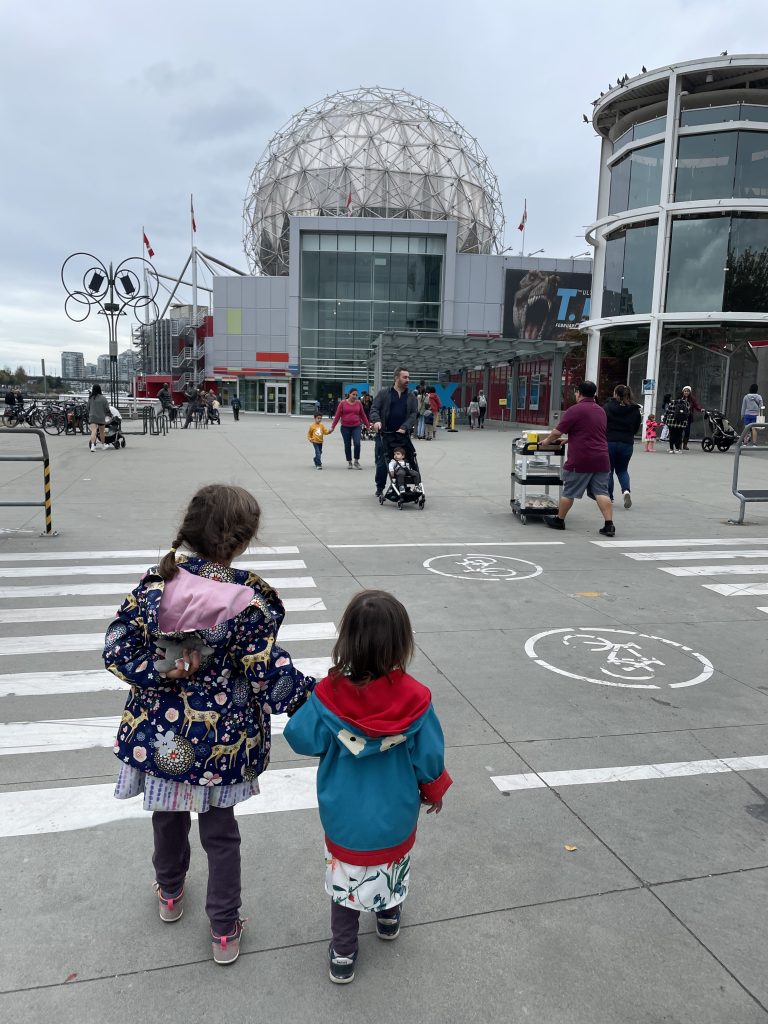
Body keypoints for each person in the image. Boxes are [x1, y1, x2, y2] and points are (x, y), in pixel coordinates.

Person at [103, 484, 314, 965]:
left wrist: (163, 670)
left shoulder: (156, 585)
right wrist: (315, 697)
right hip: (224, 744)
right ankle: (224, 929)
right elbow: (269, 673)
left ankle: (171, 893)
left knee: (167, 817)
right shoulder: (243, 601)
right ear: (242, 541)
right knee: (221, 835)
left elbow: (116, 648)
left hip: (162, 740)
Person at [283, 589, 451, 985]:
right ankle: (388, 917)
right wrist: (433, 789)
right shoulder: (416, 699)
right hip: (394, 814)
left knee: (346, 883)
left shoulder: (330, 697)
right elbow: (429, 757)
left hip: (344, 817)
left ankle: (343, 953)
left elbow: (299, 737)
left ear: (347, 641)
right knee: (389, 869)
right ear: (400, 642)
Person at [540, 380, 616, 536]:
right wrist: (570, 439)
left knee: (569, 491)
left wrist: (546, 442)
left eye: (575, 392)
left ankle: (559, 520)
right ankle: (609, 525)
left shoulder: (574, 410)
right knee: (602, 492)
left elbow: (557, 432)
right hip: (602, 458)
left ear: (579, 393)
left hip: (582, 458)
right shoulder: (600, 410)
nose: (575, 394)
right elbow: (592, 432)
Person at [369, 367, 419, 497]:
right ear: (396, 378)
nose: (408, 380)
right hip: (385, 434)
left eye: (408, 377)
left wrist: (405, 426)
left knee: (405, 460)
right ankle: (380, 487)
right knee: (382, 462)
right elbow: (374, 408)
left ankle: (402, 484)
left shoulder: (411, 396)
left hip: (402, 435)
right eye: (405, 377)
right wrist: (376, 421)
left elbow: (414, 414)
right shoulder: (384, 393)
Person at [604, 384, 642, 508]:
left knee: (609, 471)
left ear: (615, 394)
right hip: (626, 443)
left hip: (609, 441)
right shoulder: (635, 409)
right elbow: (636, 428)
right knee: (622, 470)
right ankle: (626, 491)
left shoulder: (608, 407)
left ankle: (609, 497)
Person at [329, 388, 370, 469]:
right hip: (345, 427)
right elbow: (337, 416)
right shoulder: (342, 403)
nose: (355, 396)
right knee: (347, 445)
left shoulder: (358, 403)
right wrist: (332, 427)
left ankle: (356, 461)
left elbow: (363, 415)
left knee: (357, 443)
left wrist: (367, 426)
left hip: (356, 427)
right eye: (353, 394)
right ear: (349, 394)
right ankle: (349, 462)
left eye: (356, 395)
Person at [88, 384, 111, 451]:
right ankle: (103, 445)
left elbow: (87, 407)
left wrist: (91, 412)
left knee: (93, 431)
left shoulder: (90, 398)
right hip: (101, 417)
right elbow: (107, 408)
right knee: (102, 432)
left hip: (92, 417)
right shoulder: (103, 398)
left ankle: (93, 446)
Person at [681, 385, 703, 449]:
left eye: (687, 391)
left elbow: (696, 406)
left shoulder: (692, 399)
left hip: (688, 417)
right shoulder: (680, 398)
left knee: (687, 431)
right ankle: (678, 444)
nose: (686, 392)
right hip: (680, 417)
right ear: (683, 392)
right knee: (679, 431)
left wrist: (700, 409)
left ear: (690, 392)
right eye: (685, 391)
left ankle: (685, 444)